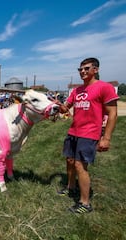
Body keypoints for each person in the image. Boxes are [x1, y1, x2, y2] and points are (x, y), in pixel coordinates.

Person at [57, 57, 119, 214]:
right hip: (73, 131)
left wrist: (106, 138)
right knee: (70, 161)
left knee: (80, 165)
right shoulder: (77, 90)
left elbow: (113, 114)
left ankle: (85, 203)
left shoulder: (104, 87)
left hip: (90, 133)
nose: (82, 72)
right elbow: (66, 108)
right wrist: (59, 106)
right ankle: (71, 187)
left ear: (95, 70)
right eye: (80, 69)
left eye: (86, 68)